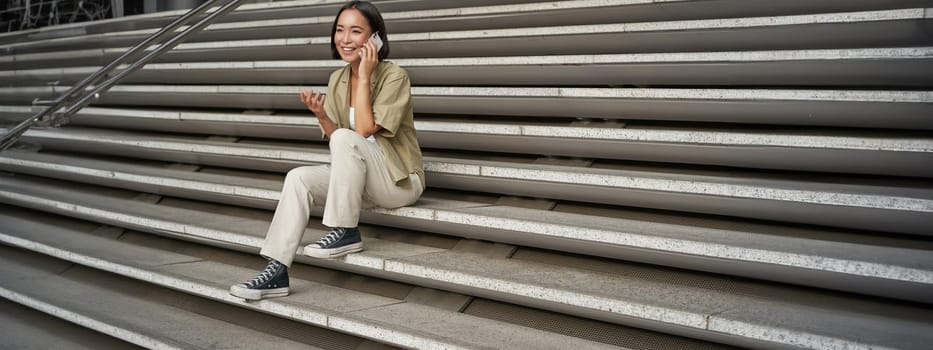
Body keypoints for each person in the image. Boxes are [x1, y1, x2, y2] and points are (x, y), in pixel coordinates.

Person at [230, 0, 424, 301]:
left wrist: (364, 75)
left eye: (356, 31)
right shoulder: (338, 78)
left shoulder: (394, 76)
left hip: (398, 181)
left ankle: (345, 230)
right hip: (360, 181)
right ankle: (277, 270)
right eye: (340, 30)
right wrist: (322, 115)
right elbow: (340, 141)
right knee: (298, 178)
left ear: (375, 38)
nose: (345, 39)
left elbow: (361, 132)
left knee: (347, 137)